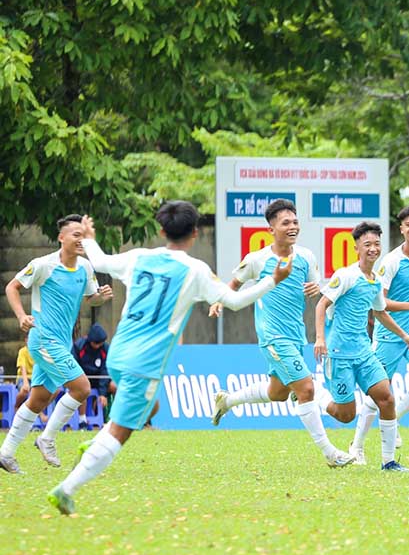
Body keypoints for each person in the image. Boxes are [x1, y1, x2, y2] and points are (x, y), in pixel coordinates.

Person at [47, 201, 291, 515]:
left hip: (119, 352)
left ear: (161, 230)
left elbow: (100, 260)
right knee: (122, 430)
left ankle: (96, 443)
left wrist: (90, 237)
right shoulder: (195, 270)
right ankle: (65, 489)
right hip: (144, 362)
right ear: (195, 233)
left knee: (152, 406)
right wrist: (273, 280)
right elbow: (233, 301)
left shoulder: (140, 256)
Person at [210, 199, 353, 468]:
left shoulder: (306, 256)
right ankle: (330, 454)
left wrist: (314, 288)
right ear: (271, 229)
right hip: (272, 336)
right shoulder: (257, 259)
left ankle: (227, 400)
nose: (292, 227)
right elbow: (234, 284)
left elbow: (315, 285)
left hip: (296, 334)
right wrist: (219, 301)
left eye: (295, 221)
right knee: (306, 388)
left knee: (277, 393)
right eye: (285, 222)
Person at [0, 214, 113, 473]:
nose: (81, 240)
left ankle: (6, 453)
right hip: (42, 339)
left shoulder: (85, 267)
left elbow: (90, 299)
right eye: (76, 235)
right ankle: (47, 438)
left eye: (83, 235)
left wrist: (101, 298)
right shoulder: (43, 265)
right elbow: (12, 287)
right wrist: (21, 316)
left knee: (39, 399)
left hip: (62, 343)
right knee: (82, 388)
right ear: (61, 237)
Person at [313, 222, 409, 472]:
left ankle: (389, 462)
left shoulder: (376, 281)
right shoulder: (346, 276)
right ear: (356, 248)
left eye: (376, 244)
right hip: (339, 354)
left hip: (364, 352)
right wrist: (320, 338)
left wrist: (405, 335)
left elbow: (380, 313)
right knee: (346, 415)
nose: (373, 249)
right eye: (367, 244)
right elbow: (321, 305)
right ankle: (315, 395)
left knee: (387, 398)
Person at [346, 205, 409, 465]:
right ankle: (356, 446)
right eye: (408, 225)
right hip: (390, 334)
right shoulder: (391, 262)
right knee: (378, 393)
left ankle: (395, 415)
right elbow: (379, 303)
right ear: (401, 230)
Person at [14, 333, 33, 410]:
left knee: (54, 390)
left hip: (35, 378)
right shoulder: (23, 351)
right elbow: (22, 367)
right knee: (24, 390)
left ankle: (41, 412)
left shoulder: (39, 352)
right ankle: (17, 405)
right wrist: (25, 382)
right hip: (23, 377)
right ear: (26, 340)